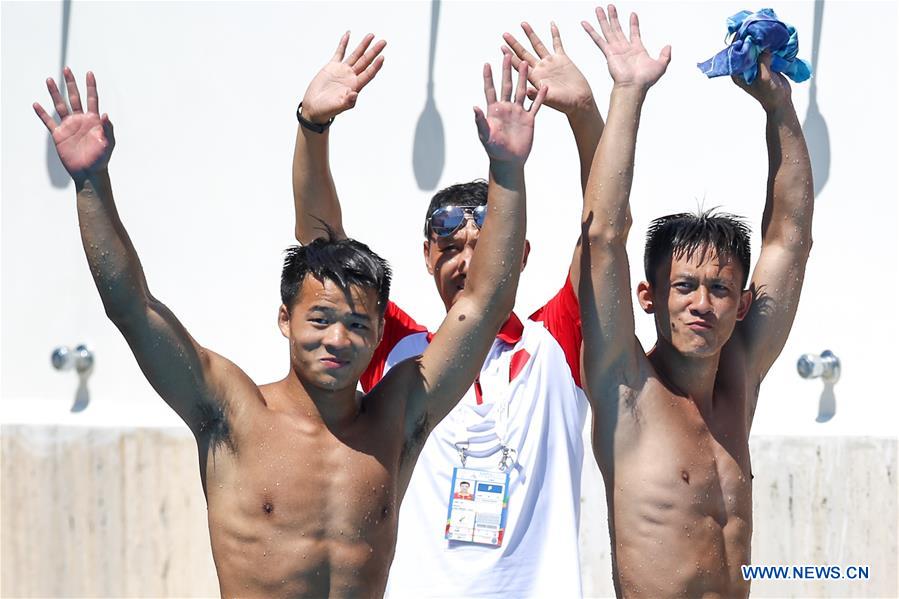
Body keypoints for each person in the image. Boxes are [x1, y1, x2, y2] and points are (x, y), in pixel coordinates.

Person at [33, 56, 545, 597]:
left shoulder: (397, 415)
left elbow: (485, 303)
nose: (337, 339)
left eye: (355, 323)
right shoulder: (230, 409)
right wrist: (91, 184)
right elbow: (132, 309)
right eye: (320, 319)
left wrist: (507, 172)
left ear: (378, 334)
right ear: (285, 318)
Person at [292, 27, 604, 598]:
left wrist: (585, 115)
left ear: (519, 253)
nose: (465, 263)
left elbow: (603, 232)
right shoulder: (398, 350)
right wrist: (313, 127)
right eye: (450, 249)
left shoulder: (559, 340)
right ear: (427, 257)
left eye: (482, 248)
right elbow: (321, 256)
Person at [577, 5, 813, 597]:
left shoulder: (739, 380)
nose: (702, 304)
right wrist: (628, 93)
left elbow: (790, 238)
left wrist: (778, 104)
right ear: (649, 297)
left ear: (742, 303)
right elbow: (602, 237)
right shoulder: (624, 385)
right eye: (684, 286)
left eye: (720, 289)